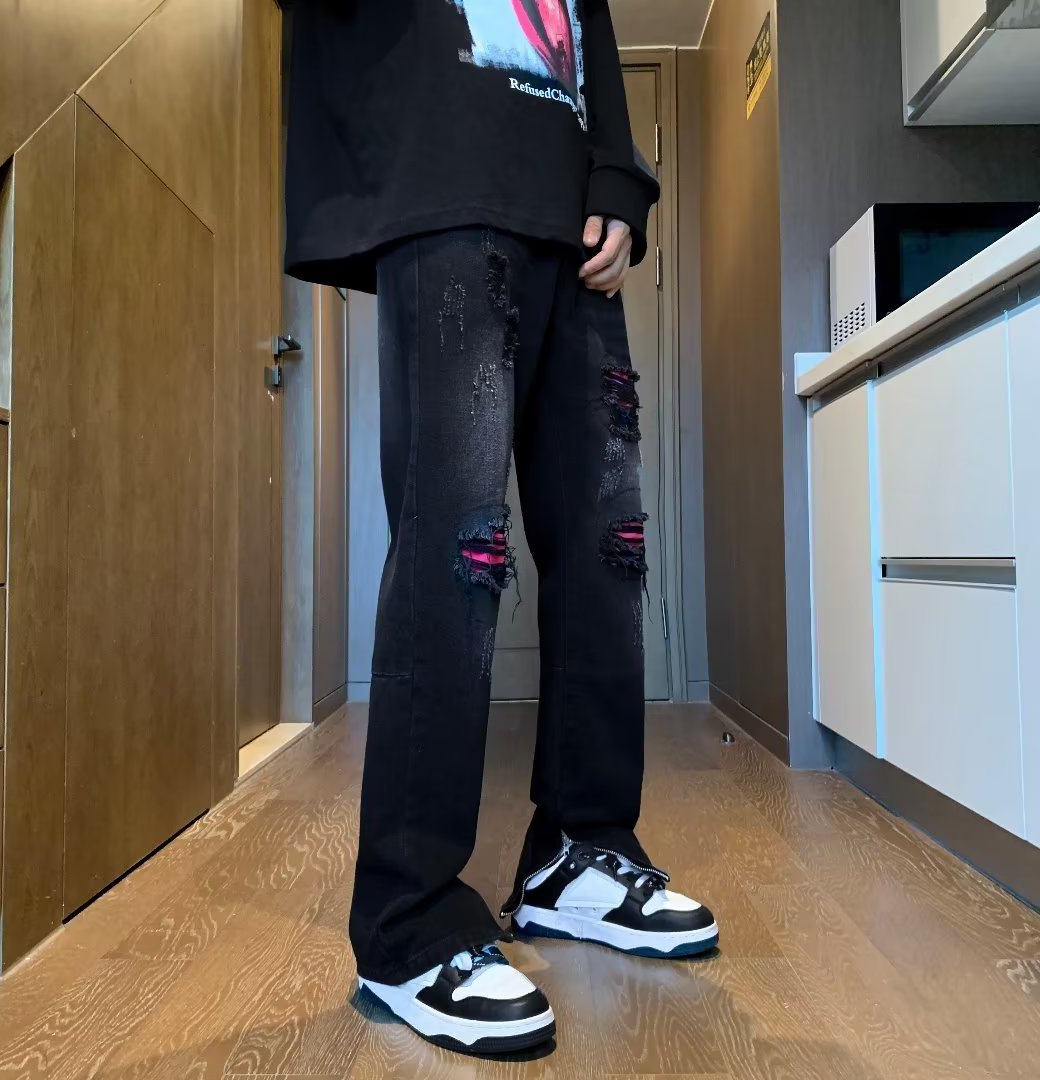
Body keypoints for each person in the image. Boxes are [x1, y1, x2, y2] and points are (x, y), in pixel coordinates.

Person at [285, 0, 718, 1056]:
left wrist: (617, 177)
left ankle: (579, 849)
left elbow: (586, 18)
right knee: (460, 546)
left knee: (610, 546)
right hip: (443, 176)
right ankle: (409, 923)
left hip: (570, 215)